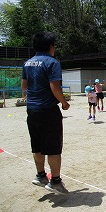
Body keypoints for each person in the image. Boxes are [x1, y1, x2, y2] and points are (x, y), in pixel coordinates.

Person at [21, 31, 70, 195]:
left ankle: (40, 175)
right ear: (51, 46)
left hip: (32, 110)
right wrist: (64, 103)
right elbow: (54, 87)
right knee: (54, 148)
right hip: (48, 110)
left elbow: (24, 87)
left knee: (38, 145)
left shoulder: (27, 63)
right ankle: (55, 181)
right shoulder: (52, 62)